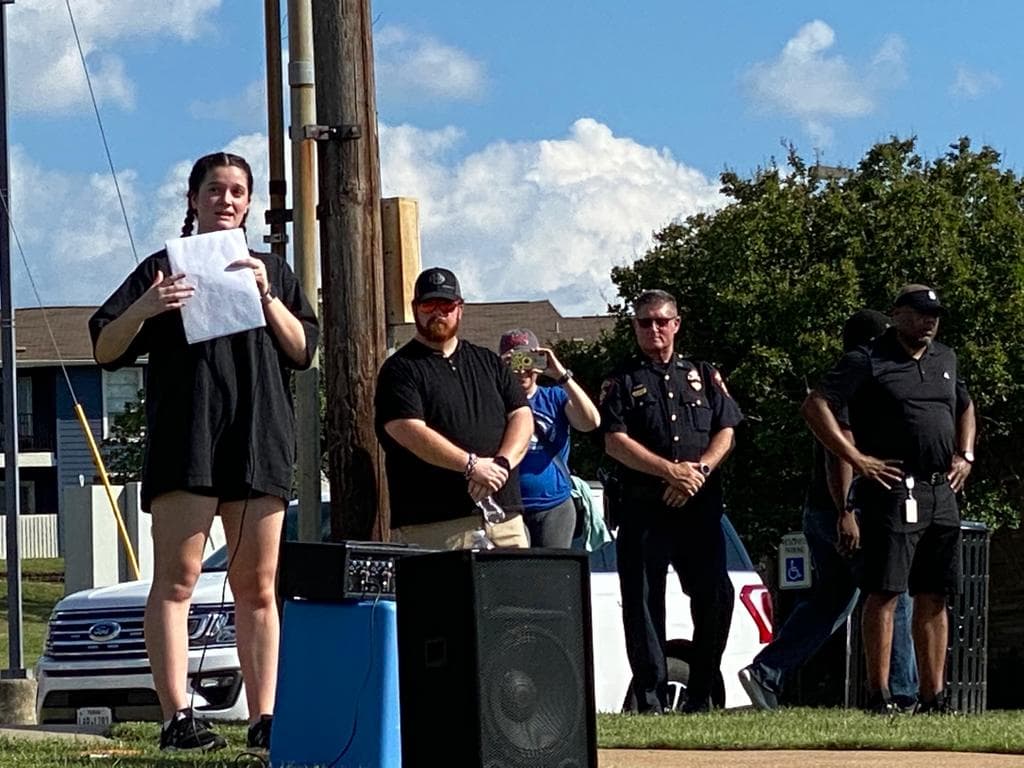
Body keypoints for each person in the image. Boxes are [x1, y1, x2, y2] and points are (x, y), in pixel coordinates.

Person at [89, 152, 318, 752]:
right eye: (214, 190)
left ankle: (264, 718)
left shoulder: (274, 269)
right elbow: (104, 348)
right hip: (186, 441)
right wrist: (147, 306)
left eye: (237, 191)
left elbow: (302, 350)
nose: (226, 200)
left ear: (249, 203)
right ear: (193, 199)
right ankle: (177, 717)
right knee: (178, 580)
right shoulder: (161, 267)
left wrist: (267, 297)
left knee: (258, 586)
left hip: (258, 441)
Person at [802, 284, 976, 714]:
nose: (928, 321)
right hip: (893, 487)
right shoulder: (868, 359)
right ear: (896, 314)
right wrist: (856, 458)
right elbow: (817, 405)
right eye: (918, 313)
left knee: (934, 593)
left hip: (940, 488)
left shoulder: (945, 359)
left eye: (934, 315)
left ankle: (934, 698)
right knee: (885, 590)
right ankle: (879, 696)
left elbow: (965, 406)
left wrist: (966, 454)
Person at [739, 310, 919, 711]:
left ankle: (768, 670)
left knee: (833, 598)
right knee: (892, 592)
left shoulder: (839, 381)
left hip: (820, 510)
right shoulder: (857, 383)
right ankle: (902, 694)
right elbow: (838, 455)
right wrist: (846, 511)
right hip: (846, 511)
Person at [599, 289, 743, 713]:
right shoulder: (622, 379)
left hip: (699, 506)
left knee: (716, 596)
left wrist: (697, 472)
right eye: (645, 322)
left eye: (662, 321)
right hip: (645, 507)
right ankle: (652, 700)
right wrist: (669, 472)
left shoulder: (703, 373)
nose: (654, 329)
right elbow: (614, 441)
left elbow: (727, 429)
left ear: (676, 324)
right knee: (644, 604)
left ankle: (700, 694)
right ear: (635, 327)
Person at [375, 267, 533, 549]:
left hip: (504, 517)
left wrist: (501, 465)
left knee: (516, 581)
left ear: (460, 309)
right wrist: (471, 466)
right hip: (435, 523)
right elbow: (407, 429)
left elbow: (521, 415)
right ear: (415, 308)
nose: (438, 313)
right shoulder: (399, 369)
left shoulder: (489, 362)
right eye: (429, 305)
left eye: (446, 305)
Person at [498, 328, 601, 548]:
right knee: (514, 568)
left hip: (554, 505)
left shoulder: (554, 396)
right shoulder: (493, 402)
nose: (521, 369)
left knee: (552, 568)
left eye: (528, 360)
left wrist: (561, 374)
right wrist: (494, 372)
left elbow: (590, 422)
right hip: (510, 507)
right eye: (514, 362)